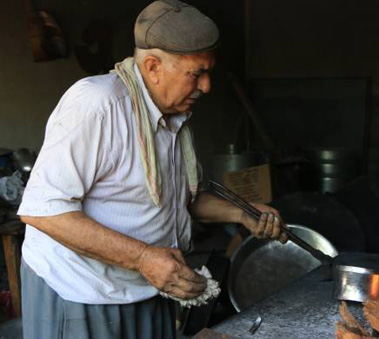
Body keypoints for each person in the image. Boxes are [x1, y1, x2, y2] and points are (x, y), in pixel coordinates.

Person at [17, 1, 286, 338]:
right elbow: (44, 210)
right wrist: (144, 258)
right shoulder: (98, 105)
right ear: (153, 66)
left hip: (147, 286)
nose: (206, 86)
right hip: (83, 291)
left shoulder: (173, 120)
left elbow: (176, 199)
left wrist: (242, 214)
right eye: (196, 73)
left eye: (208, 72)